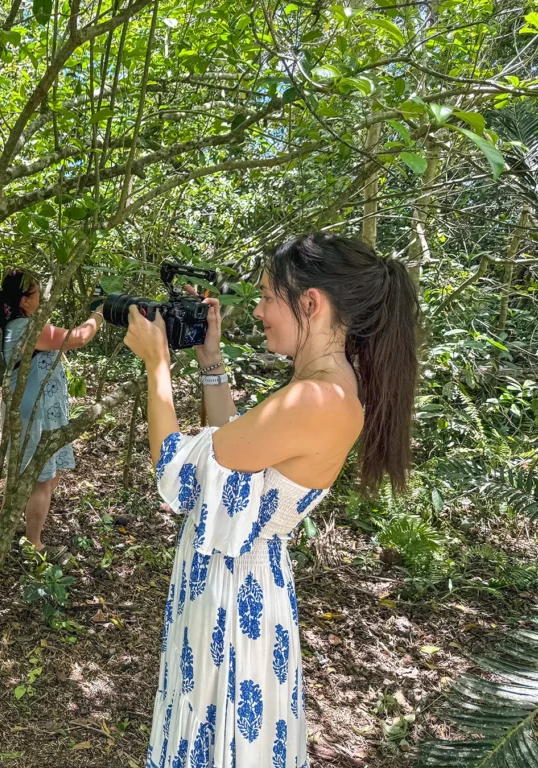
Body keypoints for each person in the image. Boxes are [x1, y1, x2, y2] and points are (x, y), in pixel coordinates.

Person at [123, 233, 419, 768]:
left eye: (266, 296)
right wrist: (210, 359)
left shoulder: (314, 399)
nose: (257, 310)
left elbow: (178, 477)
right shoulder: (330, 388)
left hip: (232, 598)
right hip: (247, 586)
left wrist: (156, 364)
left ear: (311, 302)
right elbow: (233, 458)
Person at [0, 268, 104, 561]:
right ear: (24, 300)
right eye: (37, 292)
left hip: (31, 412)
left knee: (25, 475)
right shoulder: (27, 328)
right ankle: (34, 546)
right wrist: (100, 315)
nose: (42, 297)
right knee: (42, 479)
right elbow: (78, 338)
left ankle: (7, 528)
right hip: (35, 416)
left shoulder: (16, 324)